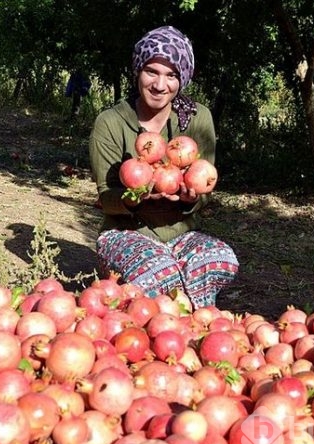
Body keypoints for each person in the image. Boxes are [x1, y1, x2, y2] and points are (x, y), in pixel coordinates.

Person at [88, 25, 239, 309]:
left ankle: (197, 317)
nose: (160, 85)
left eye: (171, 75)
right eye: (152, 72)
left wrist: (190, 198)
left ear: (183, 79)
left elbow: (205, 188)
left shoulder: (197, 119)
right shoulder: (109, 123)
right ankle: (177, 314)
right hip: (125, 232)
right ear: (137, 72)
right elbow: (105, 198)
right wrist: (133, 198)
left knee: (221, 260)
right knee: (159, 274)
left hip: (181, 234)